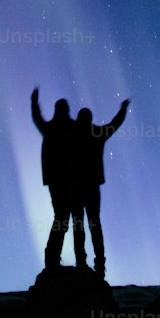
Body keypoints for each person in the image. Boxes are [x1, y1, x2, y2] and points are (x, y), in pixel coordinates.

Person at [71, 98, 129, 279]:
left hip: (77, 186)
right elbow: (115, 124)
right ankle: (98, 265)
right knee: (93, 224)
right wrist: (122, 110)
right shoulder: (97, 133)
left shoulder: (72, 135)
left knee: (79, 224)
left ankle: (83, 262)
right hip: (91, 186)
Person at [30, 86, 80, 270]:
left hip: (59, 180)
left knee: (63, 219)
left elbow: (38, 120)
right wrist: (34, 103)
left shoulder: (52, 128)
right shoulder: (68, 128)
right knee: (65, 219)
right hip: (66, 180)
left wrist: (34, 103)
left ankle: (52, 259)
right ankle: (53, 259)